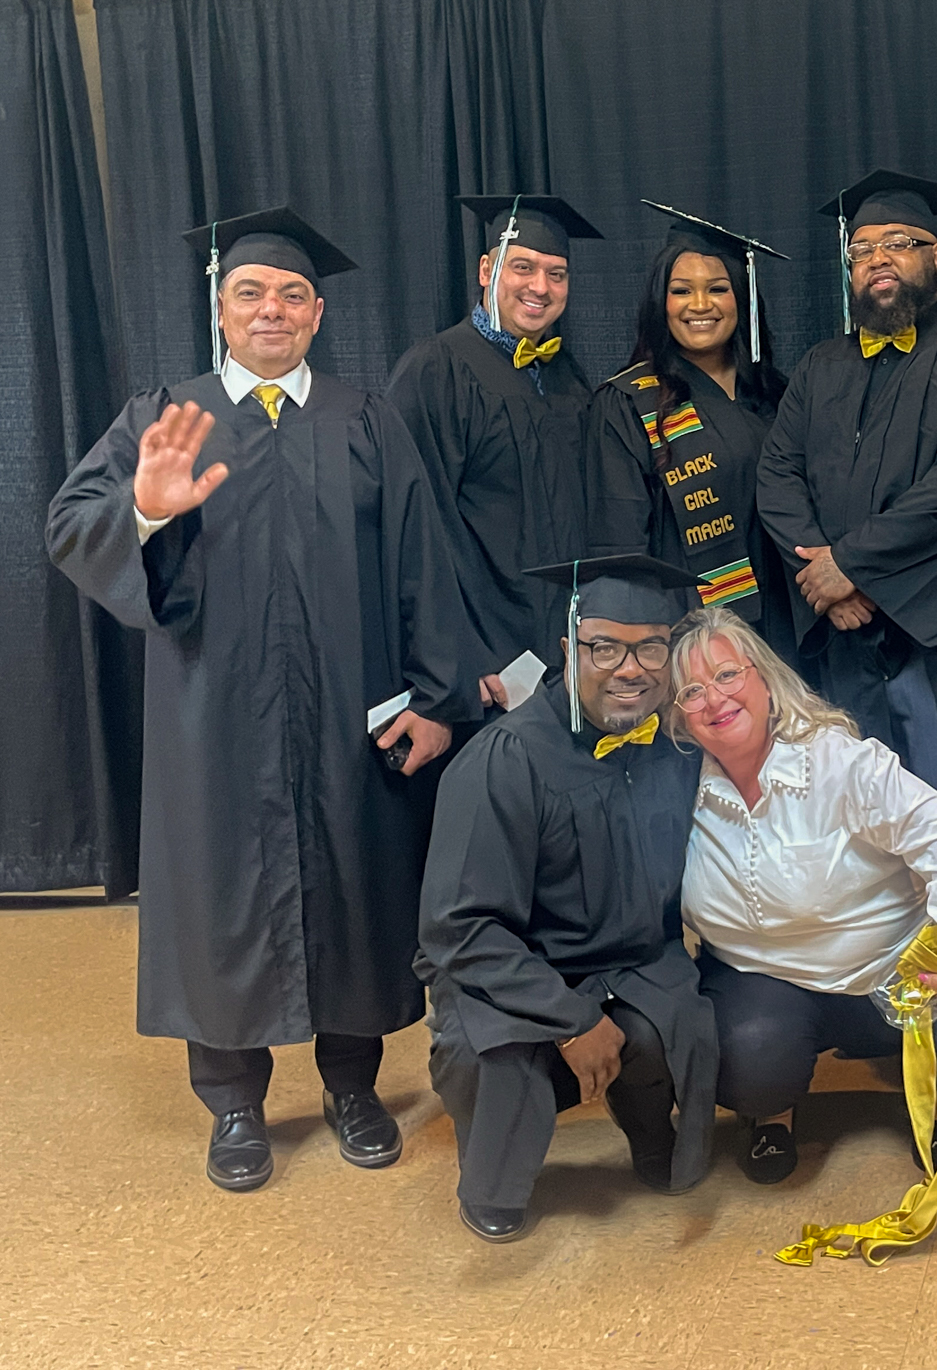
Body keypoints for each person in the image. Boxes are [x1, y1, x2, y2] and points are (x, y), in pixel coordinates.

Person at [46, 207, 474, 1191]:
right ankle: (234, 1103)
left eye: (291, 294)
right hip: (214, 719)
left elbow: (421, 563)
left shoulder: (365, 418)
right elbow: (74, 522)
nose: (271, 309)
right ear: (219, 306)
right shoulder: (168, 414)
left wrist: (440, 699)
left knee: (356, 889)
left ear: (317, 312)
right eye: (251, 292)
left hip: (351, 713)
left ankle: (352, 1083)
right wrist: (145, 507)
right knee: (219, 896)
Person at [668, 606, 937, 1183]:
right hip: (766, 984)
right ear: (679, 718)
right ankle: (770, 1115)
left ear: (764, 678)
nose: (714, 699)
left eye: (728, 675)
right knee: (748, 1061)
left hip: (897, 965)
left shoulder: (839, 762)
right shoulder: (677, 788)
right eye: (691, 691)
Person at [415, 555, 719, 1242]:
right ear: (568, 649)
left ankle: (644, 1117)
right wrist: (572, 1019)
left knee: (678, 1017)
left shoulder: (676, 745)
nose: (630, 668)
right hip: (512, 972)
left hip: (632, 959)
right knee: (498, 1056)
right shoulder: (506, 760)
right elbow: (458, 929)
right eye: (604, 646)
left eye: (650, 647)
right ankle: (496, 1171)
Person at [756, 170, 937, 805]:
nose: (877, 259)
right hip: (838, 654)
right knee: (856, 853)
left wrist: (851, 567)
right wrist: (824, 584)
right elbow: (777, 475)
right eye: (861, 249)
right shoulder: (823, 363)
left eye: (898, 243)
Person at [386, 194, 604, 701]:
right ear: (487, 269)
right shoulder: (436, 370)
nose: (540, 288)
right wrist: (463, 655)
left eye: (557, 274)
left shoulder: (566, 375)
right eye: (522, 267)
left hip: (565, 645)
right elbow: (417, 527)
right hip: (484, 659)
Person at [586, 204, 796, 661]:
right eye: (681, 291)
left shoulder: (778, 396)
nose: (700, 306)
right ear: (660, 302)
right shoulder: (629, 402)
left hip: (788, 620)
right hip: (687, 631)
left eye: (718, 289)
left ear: (741, 298)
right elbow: (622, 547)